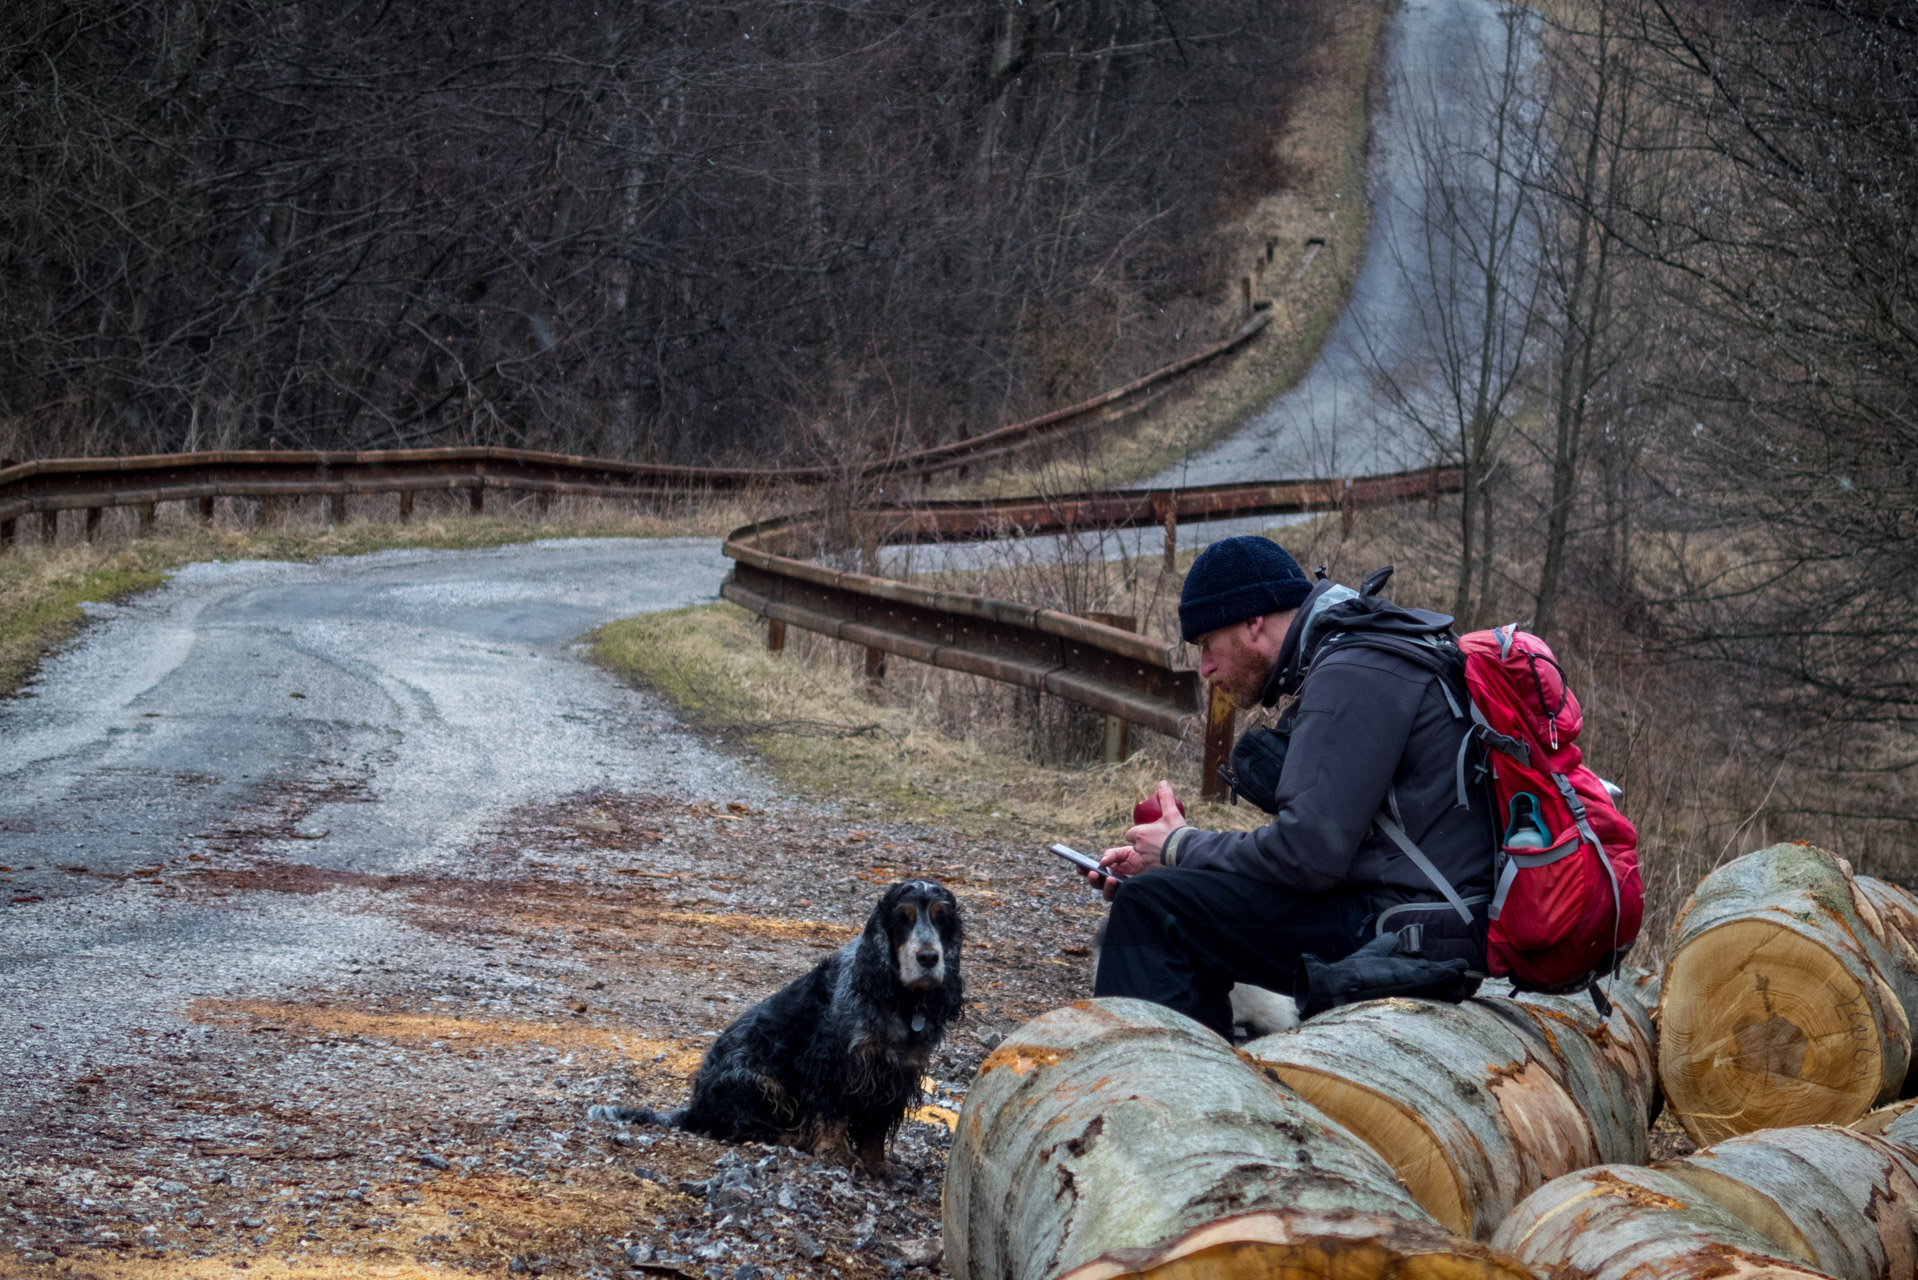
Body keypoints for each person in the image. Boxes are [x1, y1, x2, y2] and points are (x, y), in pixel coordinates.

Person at [1090, 535, 1494, 1037]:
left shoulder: (1351, 670)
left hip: (1410, 932)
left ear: (1251, 621)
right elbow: (1319, 852)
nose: (1205, 669)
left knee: (1151, 910)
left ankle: (1160, 1094)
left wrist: (1179, 848)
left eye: (1207, 645)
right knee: (1163, 893)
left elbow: (1306, 859)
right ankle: (1202, 1076)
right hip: (1425, 917)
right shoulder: (1364, 650)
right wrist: (1174, 861)